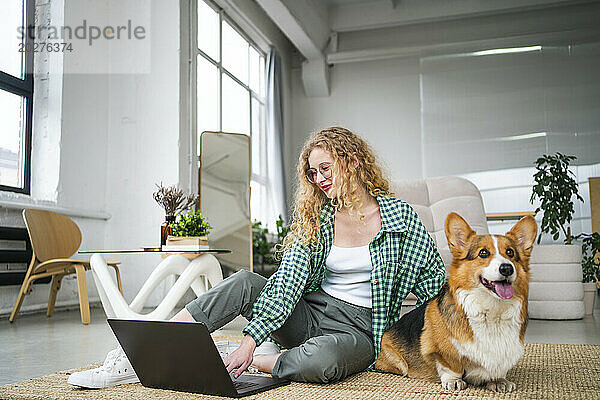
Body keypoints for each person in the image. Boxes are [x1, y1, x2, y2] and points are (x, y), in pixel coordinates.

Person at [68, 126, 445, 388]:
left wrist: (418, 338)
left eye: (325, 168)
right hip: (311, 311)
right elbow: (287, 280)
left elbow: (434, 283)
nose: (319, 179)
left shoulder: (399, 217)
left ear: (353, 162)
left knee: (323, 362)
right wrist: (252, 336)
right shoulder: (319, 217)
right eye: (312, 173)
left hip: (362, 330)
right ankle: (142, 352)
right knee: (246, 283)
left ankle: (248, 359)